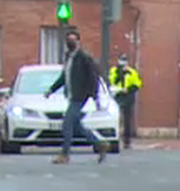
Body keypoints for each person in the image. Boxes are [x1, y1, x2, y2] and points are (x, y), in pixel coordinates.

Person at [45, 31, 109, 165]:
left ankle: (65, 154)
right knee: (76, 126)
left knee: (67, 123)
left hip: (80, 96)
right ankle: (100, 144)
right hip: (72, 95)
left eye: (73, 40)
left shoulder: (84, 57)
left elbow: (93, 77)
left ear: (79, 41)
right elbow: (64, 77)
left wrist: (94, 96)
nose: (70, 43)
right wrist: (51, 89)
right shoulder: (69, 57)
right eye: (68, 40)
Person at [109, 53, 143, 146]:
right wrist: (121, 74)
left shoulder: (132, 72)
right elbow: (112, 81)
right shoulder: (114, 70)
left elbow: (137, 84)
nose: (123, 63)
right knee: (116, 117)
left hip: (128, 96)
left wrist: (128, 89)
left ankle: (127, 140)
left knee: (127, 119)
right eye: (121, 60)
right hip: (117, 96)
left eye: (125, 60)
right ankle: (114, 137)